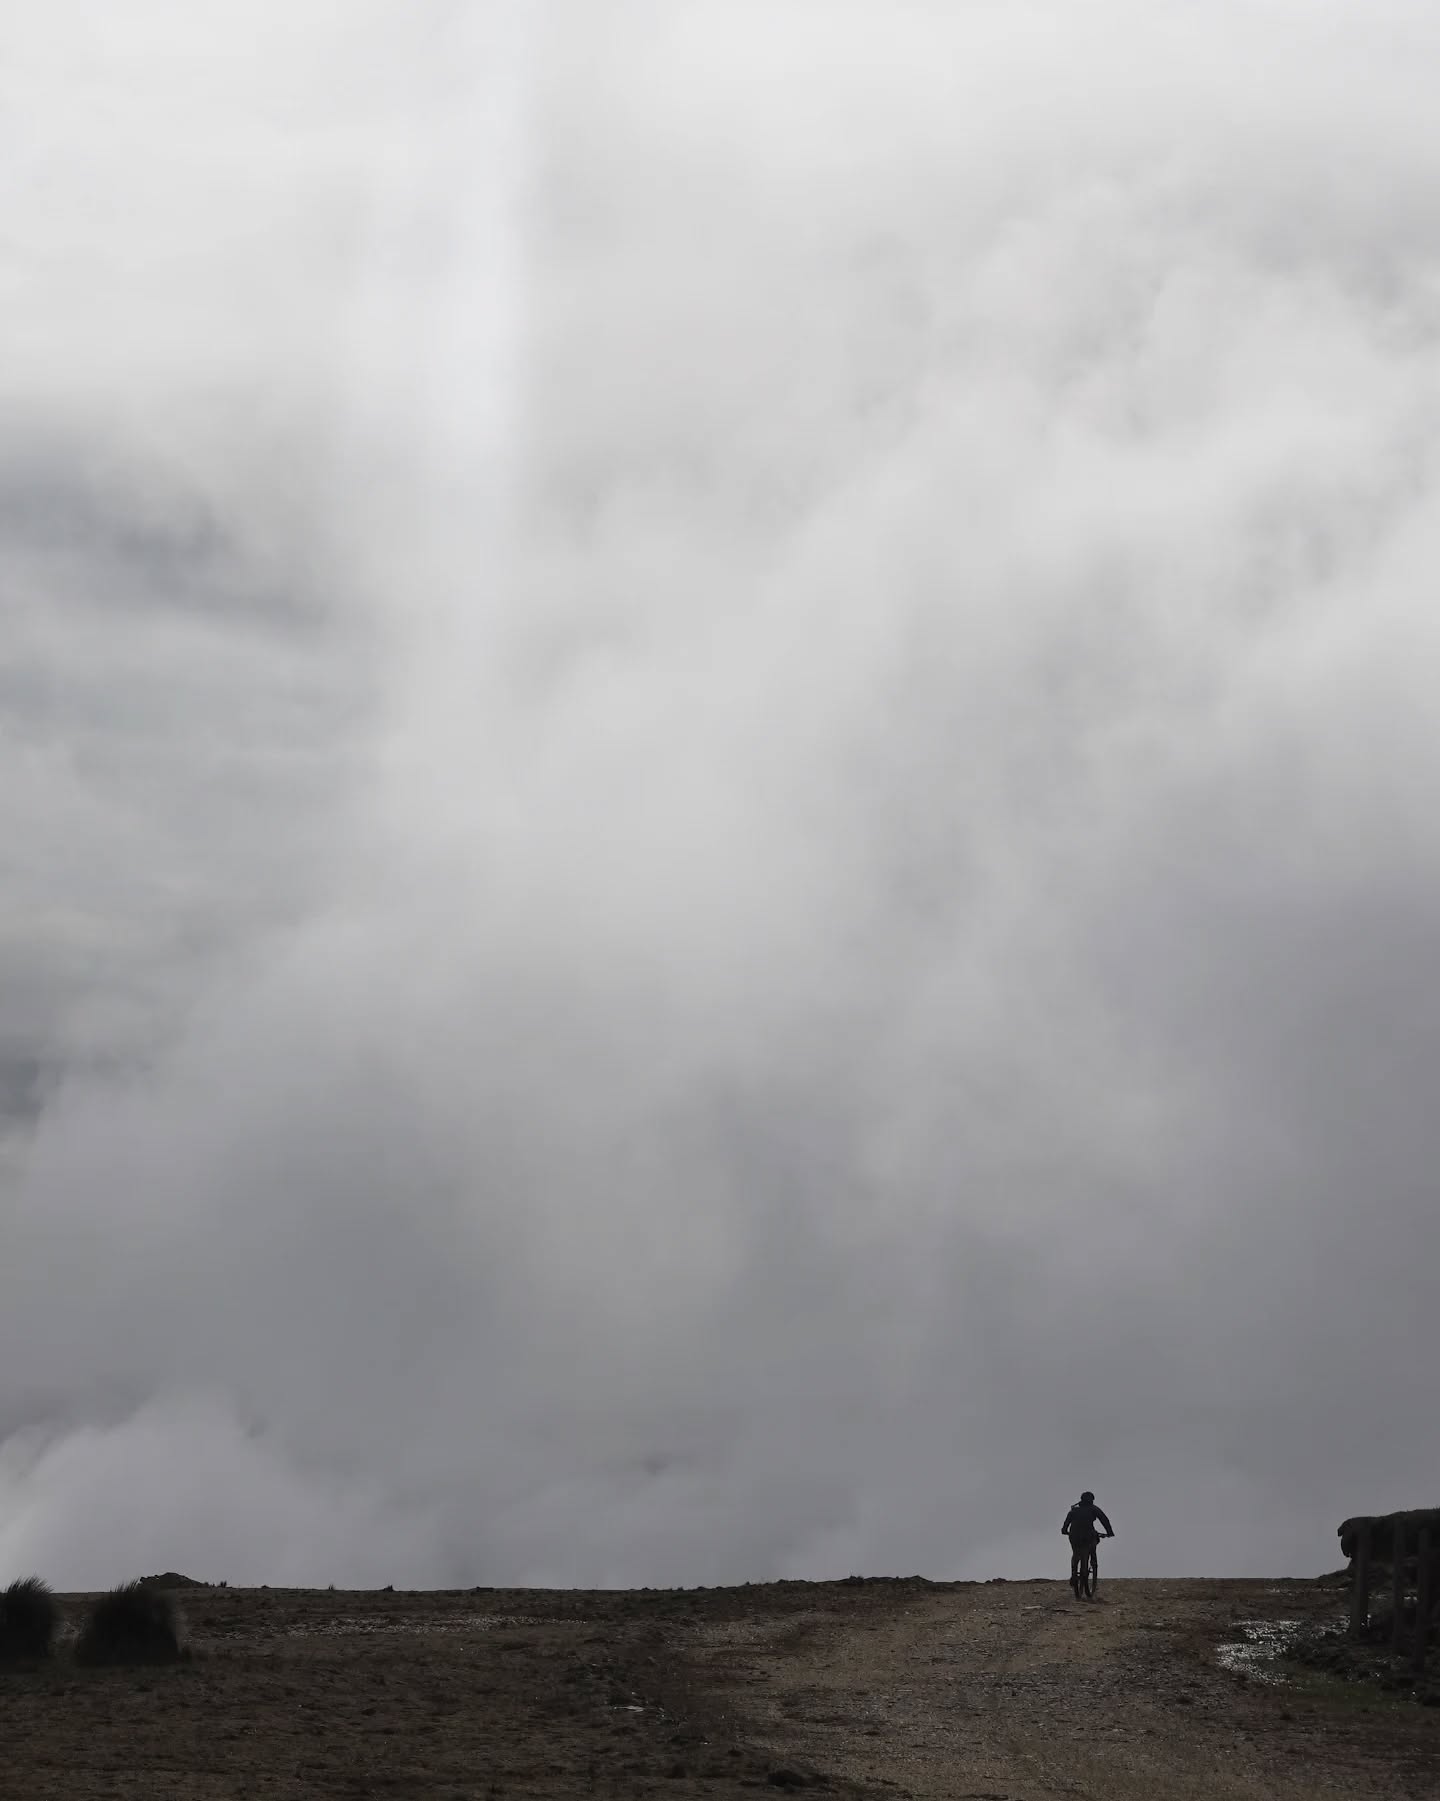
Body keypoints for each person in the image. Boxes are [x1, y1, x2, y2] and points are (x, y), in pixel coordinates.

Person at [1062, 1491, 1114, 1597]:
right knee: (1092, 1544)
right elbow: (1104, 1520)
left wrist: (1065, 1531)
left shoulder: (1074, 1510)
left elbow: (1065, 1526)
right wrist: (1109, 1532)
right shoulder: (1093, 1509)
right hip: (1088, 1536)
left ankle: (1074, 1573)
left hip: (1074, 1536)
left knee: (1076, 1553)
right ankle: (1092, 1562)